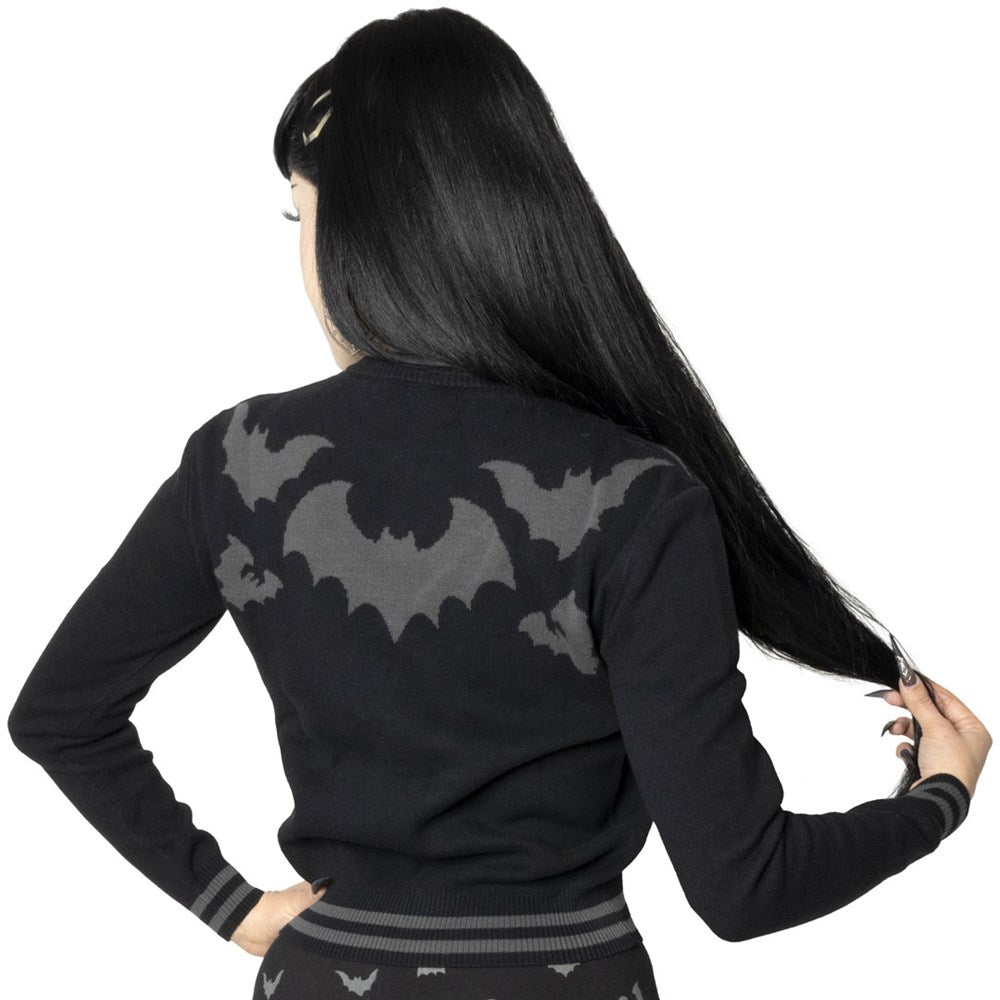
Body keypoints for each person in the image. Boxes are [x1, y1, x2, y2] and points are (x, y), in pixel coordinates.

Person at [7, 8, 991, 1000]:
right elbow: (745, 885)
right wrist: (938, 798)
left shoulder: (246, 463)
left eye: (303, 215)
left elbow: (62, 714)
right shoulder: (631, 493)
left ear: (368, 230)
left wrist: (231, 905)